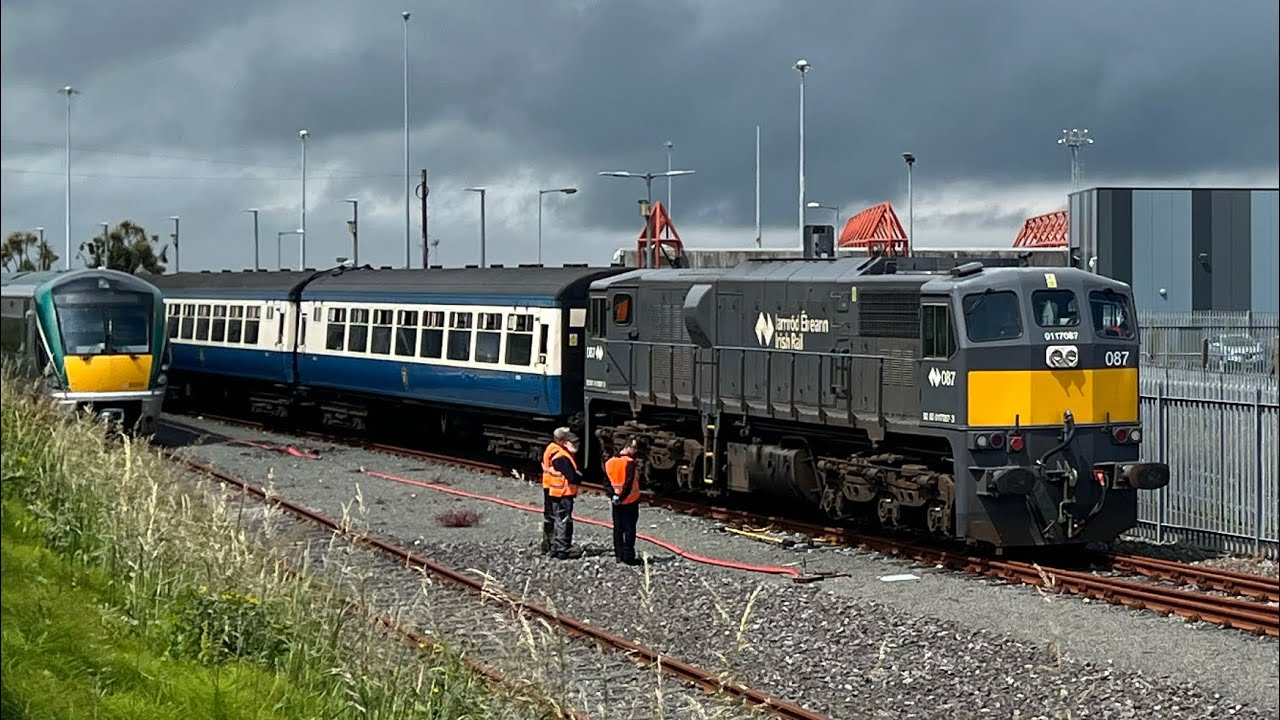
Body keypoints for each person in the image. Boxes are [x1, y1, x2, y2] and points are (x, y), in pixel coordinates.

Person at [542, 428, 582, 559]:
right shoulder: (561, 456)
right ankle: (562, 549)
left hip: (555, 490)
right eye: (573, 443)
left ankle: (553, 547)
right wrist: (578, 476)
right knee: (563, 520)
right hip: (563, 493)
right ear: (564, 442)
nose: (576, 446)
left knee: (555, 518)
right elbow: (572, 477)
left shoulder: (553, 449)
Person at [604, 437, 642, 565]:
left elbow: (606, 482)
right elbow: (629, 482)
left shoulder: (609, 462)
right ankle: (629, 556)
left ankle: (619, 555)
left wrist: (613, 496)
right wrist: (622, 497)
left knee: (618, 528)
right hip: (630, 500)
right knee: (630, 529)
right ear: (626, 447)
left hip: (616, 502)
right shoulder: (629, 462)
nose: (635, 450)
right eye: (634, 447)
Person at [540, 427, 572, 554]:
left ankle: (548, 546)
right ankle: (556, 546)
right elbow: (570, 474)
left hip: (550, 486)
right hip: (555, 488)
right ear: (561, 439)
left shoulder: (551, 448)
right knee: (558, 517)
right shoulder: (558, 452)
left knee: (550, 516)